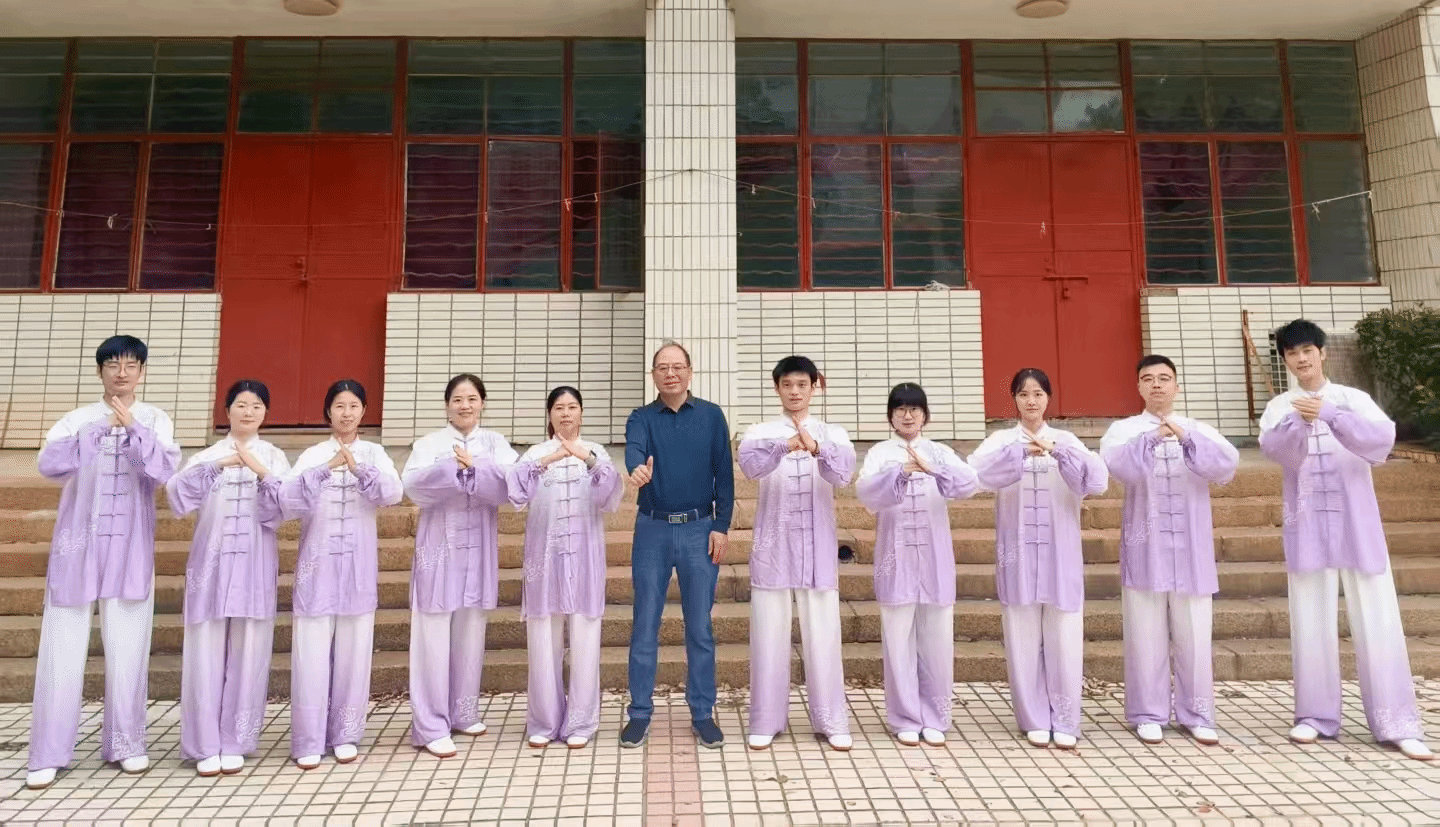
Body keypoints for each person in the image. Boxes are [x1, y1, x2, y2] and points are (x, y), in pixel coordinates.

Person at [1259, 319, 1433, 761]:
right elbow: (1276, 452)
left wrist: (1332, 415)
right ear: (1285, 361)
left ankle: (1396, 722)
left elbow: (1381, 441)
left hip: (1357, 523)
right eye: (1292, 353)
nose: (1301, 359)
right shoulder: (1279, 407)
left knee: (1378, 617)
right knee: (1309, 616)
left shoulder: (1354, 399)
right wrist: (1299, 422)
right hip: (1307, 525)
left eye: (1308, 350)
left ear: (1322, 353)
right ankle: (1314, 716)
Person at [25, 335, 181, 790]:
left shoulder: (156, 419)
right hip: (78, 549)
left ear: (142, 372)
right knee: (61, 649)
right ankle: (49, 752)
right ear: (100, 371)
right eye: (113, 364)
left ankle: (126, 744)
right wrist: (96, 430)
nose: (122, 372)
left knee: (128, 647)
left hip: (129, 549)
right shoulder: (77, 418)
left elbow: (164, 470)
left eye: (131, 365)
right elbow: (49, 464)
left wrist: (135, 430)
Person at [1100, 356, 1239, 747]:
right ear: (1138, 387)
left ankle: (1198, 713)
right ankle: (1148, 712)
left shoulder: (1197, 428)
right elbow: (1116, 467)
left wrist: (1187, 439)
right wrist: (1149, 440)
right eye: (1148, 379)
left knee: (1194, 633)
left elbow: (1226, 466)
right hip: (1145, 547)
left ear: (1177, 386)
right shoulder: (1123, 430)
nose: (1157, 385)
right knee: (1145, 633)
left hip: (1191, 548)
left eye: (1164, 378)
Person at [969, 368, 1107, 750]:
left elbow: (1097, 480)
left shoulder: (1066, 439)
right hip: (1017, 555)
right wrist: (1016, 455)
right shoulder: (1001, 440)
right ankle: (1032, 717)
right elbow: (973, 475)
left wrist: (1059, 452)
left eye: (1038, 394)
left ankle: (1065, 717)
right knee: (1022, 636)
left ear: (1048, 398)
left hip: (1060, 554)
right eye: (1023, 394)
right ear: (1014, 399)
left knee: (1065, 637)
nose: (1031, 401)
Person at [168, 379, 290, 777]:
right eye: (241, 404)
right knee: (204, 651)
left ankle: (236, 740)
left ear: (265, 414)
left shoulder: (274, 456)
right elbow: (177, 494)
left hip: (254, 563)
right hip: (211, 564)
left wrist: (261, 472)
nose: (248, 412)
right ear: (227, 411)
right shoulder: (206, 455)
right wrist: (218, 465)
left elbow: (288, 504)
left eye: (257, 405)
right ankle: (204, 743)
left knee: (250, 650)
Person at [280, 380, 403, 769]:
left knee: (354, 650)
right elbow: (287, 499)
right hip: (317, 566)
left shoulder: (375, 452)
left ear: (363, 411)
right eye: (338, 406)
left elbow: (393, 493)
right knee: (311, 653)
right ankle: (309, 738)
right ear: (327, 412)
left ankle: (346, 734)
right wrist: (326, 469)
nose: (346, 413)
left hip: (357, 565)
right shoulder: (313, 454)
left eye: (353, 405)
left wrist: (359, 469)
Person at [738, 356, 857, 752]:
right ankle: (766, 720)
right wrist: (784, 445)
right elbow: (751, 468)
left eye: (802, 384)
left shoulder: (833, 432)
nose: (794, 391)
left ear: (814, 387)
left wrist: (817, 448)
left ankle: (831, 720)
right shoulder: (760, 431)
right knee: (768, 634)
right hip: (773, 547)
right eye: (787, 384)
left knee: (823, 634)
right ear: (777, 388)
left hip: (817, 547)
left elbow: (843, 474)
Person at [621, 341, 734, 749]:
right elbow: (634, 450)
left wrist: (721, 526)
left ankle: (702, 713)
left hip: (699, 529)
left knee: (700, 627)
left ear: (690, 371)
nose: (670, 373)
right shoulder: (641, 417)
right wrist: (636, 469)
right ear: (653, 375)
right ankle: (639, 713)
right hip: (652, 529)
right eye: (662, 367)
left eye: (677, 366)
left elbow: (725, 474)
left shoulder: (711, 416)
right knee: (644, 624)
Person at [402, 373, 518, 758]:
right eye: (457, 399)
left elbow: (514, 485)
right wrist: (452, 469)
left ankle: (463, 712)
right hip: (439, 548)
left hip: (477, 549)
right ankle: (431, 724)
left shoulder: (496, 443)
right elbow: (412, 486)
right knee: (432, 634)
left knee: (471, 628)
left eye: (471, 398)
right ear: (447, 405)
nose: (465, 405)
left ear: (482, 402)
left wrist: (477, 468)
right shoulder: (429, 444)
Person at [856, 383, 978, 748]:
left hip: (935, 558)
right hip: (896, 558)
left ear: (925, 415)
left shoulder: (940, 451)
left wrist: (933, 469)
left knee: (937, 639)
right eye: (900, 409)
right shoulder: (880, 453)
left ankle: (936, 716)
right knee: (898, 639)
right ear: (890, 416)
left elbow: (969, 484)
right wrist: (900, 473)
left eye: (914, 409)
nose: (907, 416)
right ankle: (905, 717)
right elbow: (866, 494)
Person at [508, 386, 623, 750]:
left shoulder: (596, 451)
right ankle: (544, 721)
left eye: (573, 407)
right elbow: (516, 492)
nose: (566, 413)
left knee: (586, 638)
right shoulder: (535, 453)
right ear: (549, 414)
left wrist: (586, 459)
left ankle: (581, 722)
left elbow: (610, 496)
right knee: (543, 638)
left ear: (582, 413)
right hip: (544, 559)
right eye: (559, 408)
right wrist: (550, 458)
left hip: (584, 558)